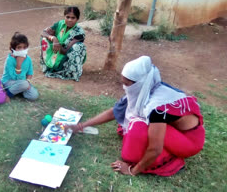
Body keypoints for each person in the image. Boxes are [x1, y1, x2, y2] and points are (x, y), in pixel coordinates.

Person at [66, 56, 205, 176]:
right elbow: (114, 112)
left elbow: (155, 149)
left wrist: (133, 170)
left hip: (189, 142)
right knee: (133, 125)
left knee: (131, 149)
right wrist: (82, 126)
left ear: (139, 83)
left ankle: (171, 159)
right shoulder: (145, 89)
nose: (125, 88)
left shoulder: (157, 107)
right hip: (171, 130)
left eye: (127, 84)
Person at [40, 6, 86, 81]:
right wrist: (53, 38)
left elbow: (66, 51)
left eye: (73, 18)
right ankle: (47, 64)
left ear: (77, 19)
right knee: (45, 38)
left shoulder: (79, 32)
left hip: (67, 58)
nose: (69, 20)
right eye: (67, 17)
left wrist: (55, 38)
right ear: (64, 17)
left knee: (79, 46)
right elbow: (43, 32)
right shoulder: (60, 24)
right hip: (55, 51)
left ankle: (69, 70)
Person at [1, 32, 39, 100]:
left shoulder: (28, 59)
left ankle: (18, 90)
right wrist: (19, 64)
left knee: (34, 95)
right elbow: (14, 77)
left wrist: (28, 82)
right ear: (13, 48)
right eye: (19, 47)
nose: (22, 50)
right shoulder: (10, 59)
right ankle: (7, 95)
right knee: (24, 84)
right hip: (9, 82)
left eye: (24, 47)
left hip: (22, 82)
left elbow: (30, 74)